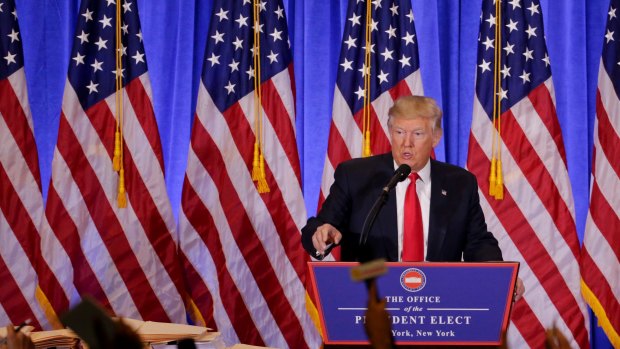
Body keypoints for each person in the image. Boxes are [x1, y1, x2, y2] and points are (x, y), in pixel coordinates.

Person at [301, 95, 525, 300]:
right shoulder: (356, 176)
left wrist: (500, 277)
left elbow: (477, 242)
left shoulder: (460, 183)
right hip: (371, 303)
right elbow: (318, 227)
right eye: (399, 132)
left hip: (438, 304)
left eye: (417, 134)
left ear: (435, 137)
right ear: (390, 132)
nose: (406, 143)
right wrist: (323, 235)